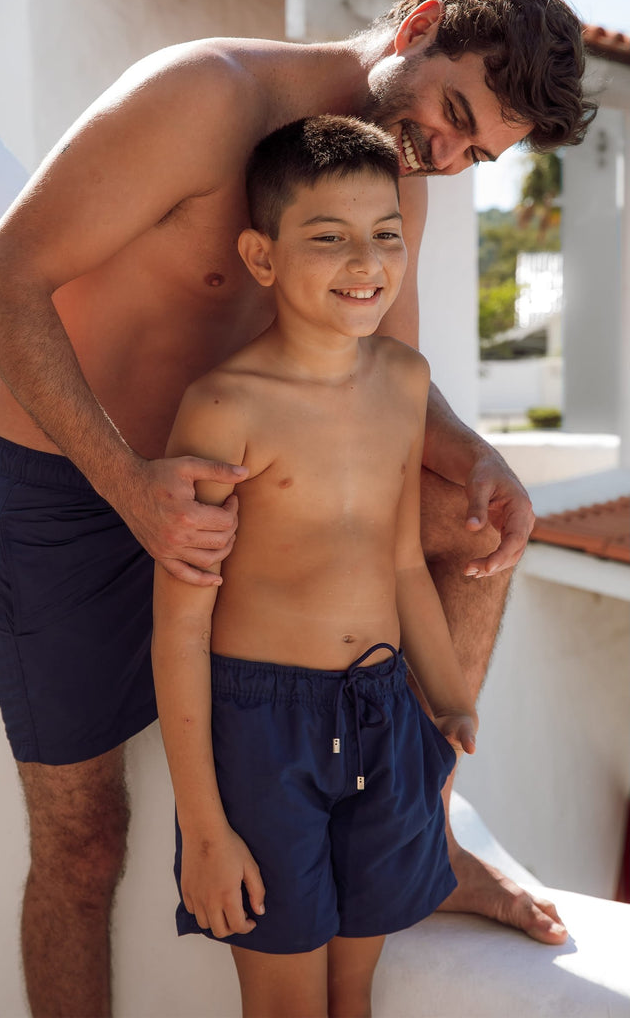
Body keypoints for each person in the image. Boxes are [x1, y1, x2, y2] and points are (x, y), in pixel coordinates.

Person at [0, 0, 593, 1016]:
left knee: (467, 518)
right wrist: (129, 484)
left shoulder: (397, 176)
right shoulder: (205, 96)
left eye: (474, 154)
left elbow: (390, 387)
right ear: (421, 26)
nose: (444, 155)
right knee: (82, 845)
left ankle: (417, 830)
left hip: (225, 495)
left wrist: (481, 461)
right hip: (61, 492)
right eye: (452, 114)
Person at [152, 114, 480, 1017]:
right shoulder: (224, 406)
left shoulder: (405, 382)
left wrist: (448, 700)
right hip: (264, 730)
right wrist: (204, 828)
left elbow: (404, 562)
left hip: (385, 709)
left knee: (352, 993)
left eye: (386, 236)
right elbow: (180, 623)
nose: (365, 261)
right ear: (262, 257)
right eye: (328, 239)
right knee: (287, 1004)